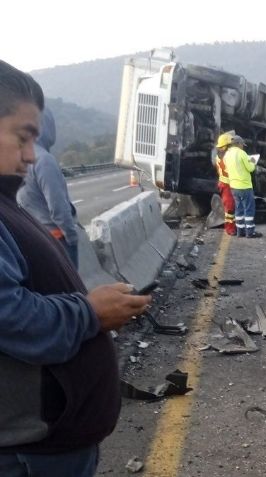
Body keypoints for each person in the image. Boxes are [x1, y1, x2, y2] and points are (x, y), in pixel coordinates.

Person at [0, 60, 151, 477]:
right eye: (22, 137)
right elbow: (10, 316)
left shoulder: (5, 201)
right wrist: (90, 312)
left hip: (50, 441)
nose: (32, 156)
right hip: (33, 450)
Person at [16, 106, 80, 267]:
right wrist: (71, 237)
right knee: (72, 289)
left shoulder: (19, 156)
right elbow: (58, 206)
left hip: (38, 237)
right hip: (58, 238)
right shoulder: (44, 160)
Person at [222, 130, 261, 238]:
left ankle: (240, 231)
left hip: (234, 187)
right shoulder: (242, 153)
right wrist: (253, 160)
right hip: (245, 186)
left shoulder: (226, 155)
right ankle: (250, 232)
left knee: (238, 209)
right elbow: (250, 168)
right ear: (238, 144)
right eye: (242, 145)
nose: (243, 147)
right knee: (248, 209)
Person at [215, 133, 236, 236]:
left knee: (231, 208)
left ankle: (232, 227)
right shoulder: (226, 158)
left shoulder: (219, 156)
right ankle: (230, 228)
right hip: (227, 186)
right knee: (230, 209)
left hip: (225, 184)